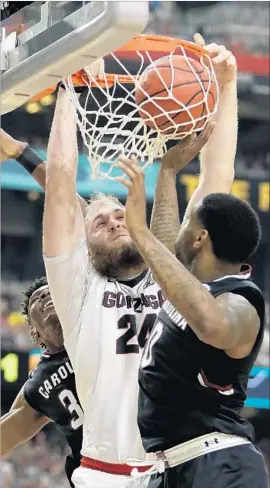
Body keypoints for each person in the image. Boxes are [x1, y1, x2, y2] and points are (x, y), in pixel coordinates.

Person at [41, 34, 240, 488]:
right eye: (99, 222)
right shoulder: (78, 288)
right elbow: (60, 181)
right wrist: (69, 87)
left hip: (176, 472)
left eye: (120, 215)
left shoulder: (177, 278)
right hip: (105, 476)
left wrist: (226, 86)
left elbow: (217, 178)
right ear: (85, 246)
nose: (112, 222)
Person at [117, 165, 268, 485]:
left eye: (187, 221)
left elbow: (214, 326)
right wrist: (168, 172)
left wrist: (139, 231)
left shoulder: (242, 298)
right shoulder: (190, 289)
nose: (179, 230)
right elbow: (165, 262)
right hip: (172, 466)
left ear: (201, 238)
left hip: (217, 462)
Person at [0, 278, 83, 487]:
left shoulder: (100, 331)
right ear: (34, 331)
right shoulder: (40, 382)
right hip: (95, 474)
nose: (45, 295)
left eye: (51, 291)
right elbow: (8, 432)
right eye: (37, 298)